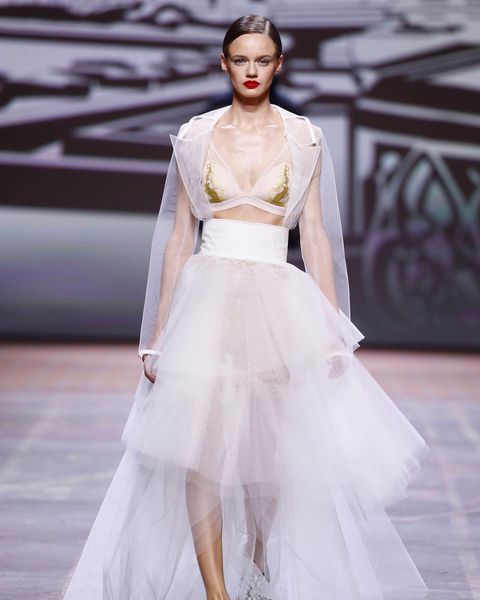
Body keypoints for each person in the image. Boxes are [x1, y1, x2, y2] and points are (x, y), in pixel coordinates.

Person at [61, 14, 431, 600]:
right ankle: (218, 592)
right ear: (224, 63)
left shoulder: (305, 138)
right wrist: (157, 333)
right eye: (240, 60)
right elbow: (178, 236)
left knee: (267, 454)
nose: (251, 71)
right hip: (206, 302)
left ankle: (256, 564)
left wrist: (332, 327)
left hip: (278, 305)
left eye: (262, 60)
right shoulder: (195, 137)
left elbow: (315, 237)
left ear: (278, 64)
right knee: (200, 450)